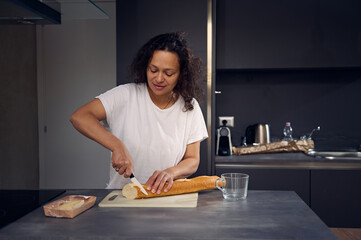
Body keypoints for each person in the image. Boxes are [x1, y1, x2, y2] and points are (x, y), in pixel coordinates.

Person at [70, 32, 208, 194]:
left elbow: (192, 160)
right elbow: (80, 117)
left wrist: (172, 172)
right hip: (123, 197)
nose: (159, 78)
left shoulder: (189, 106)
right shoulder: (125, 95)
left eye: (168, 73)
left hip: (166, 199)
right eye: (153, 70)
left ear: (181, 75)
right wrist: (117, 146)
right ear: (145, 67)